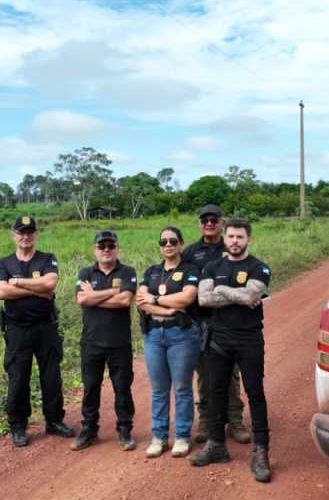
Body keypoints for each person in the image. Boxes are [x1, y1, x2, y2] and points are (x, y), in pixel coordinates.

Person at [189, 218, 273, 483]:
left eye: (240, 237)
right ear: (224, 239)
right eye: (231, 237)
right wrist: (237, 293)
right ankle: (216, 445)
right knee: (215, 393)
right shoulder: (212, 266)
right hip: (218, 341)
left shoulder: (259, 267)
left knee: (255, 393)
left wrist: (222, 289)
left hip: (249, 340)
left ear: (248, 239)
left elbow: (251, 297)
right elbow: (203, 299)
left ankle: (261, 451)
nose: (235, 241)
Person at [0, 214, 75, 447]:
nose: (26, 236)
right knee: (18, 377)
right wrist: (36, 290)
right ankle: (18, 425)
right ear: (13, 235)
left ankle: (54, 420)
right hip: (17, 329)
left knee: (51, 375)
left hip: (45, 327)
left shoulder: (48, 259)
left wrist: (17, 283)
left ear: (36, 234)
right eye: (21, 232)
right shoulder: (4, 263)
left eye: (30, 232)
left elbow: (49, 285)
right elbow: (1, 292)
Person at [182, 204, 250, 445]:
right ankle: (207, 421)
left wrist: (219, 295)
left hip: (229, 321)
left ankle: (235, 420)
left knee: (231, 373)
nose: (209, 223)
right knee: (204, 374)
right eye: (205, 220)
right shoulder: (190, 252)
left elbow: (244, 288)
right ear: (200, 223)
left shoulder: (231, 246)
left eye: (214, 219)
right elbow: (188, 288)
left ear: (222, 223)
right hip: (199, 321)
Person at [136, 226, 201, 459]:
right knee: (159, 389)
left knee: (182, 388)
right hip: (154, 335)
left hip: (182, 336)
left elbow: (187, 298)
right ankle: (159, 437)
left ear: (180, 244)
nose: (168, 245)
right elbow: (140, 301)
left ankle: (182, 436)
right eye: (163, 242)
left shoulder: (190, 270)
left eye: (173, 241)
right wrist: (167, 308)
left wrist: (155, 298)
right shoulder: (152, 271)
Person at [70, 230, 138, 451]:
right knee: (90, 388)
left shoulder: (127, 271)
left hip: (119, 342)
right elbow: (81, 299)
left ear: (117, 248)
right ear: (95, 249)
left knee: (122, 388)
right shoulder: (85, 272)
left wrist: (94, 297)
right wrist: (112, 291)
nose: (107, 250)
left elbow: (125, 300)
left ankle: (125, 429)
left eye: (111, 246)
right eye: (102, 246)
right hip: (92, 342)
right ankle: (89, 429)